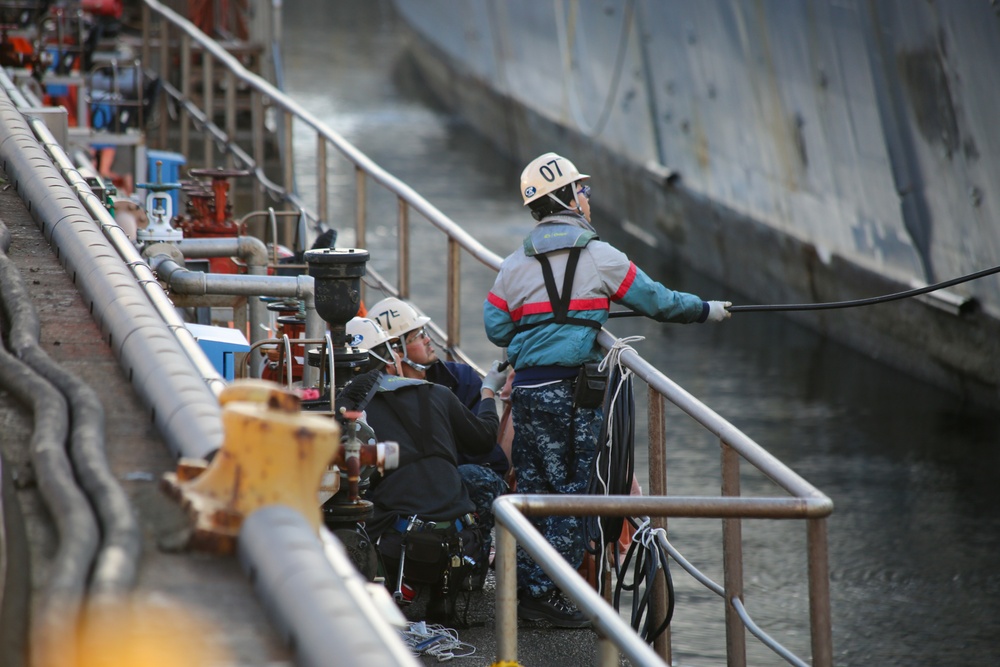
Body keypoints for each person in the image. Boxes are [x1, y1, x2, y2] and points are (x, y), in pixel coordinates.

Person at [483, 152, 733, 628]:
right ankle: (544, 598)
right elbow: (657, 302)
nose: (588, 197)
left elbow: (497, 326)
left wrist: (533, 330)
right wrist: (707, 309)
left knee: (534, 489)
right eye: (583, 190)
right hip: (574, 395)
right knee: (576, 496)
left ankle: (524, 587)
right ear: (566, 198)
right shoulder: (602, 257)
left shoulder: (515, 264)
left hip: (529, 395)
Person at [341, 316, 508, 620]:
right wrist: (488, 393)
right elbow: (484, 441)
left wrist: (384, 456)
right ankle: (452, 590)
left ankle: (396, 586)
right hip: (459, 543)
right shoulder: (439, 393)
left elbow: (362, 474)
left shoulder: (350, 412)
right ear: (391, 356)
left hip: (397, 545)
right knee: (475, 480)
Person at [368, 296, 511, 510]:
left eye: (425, 332)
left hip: (456, 484)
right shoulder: (374, 398)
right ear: (394, 351)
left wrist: (487, 392)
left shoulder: (460, 379)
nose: (428, 339)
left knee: (475, 477)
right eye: (418, 335)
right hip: (401, 492)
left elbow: (485, 449)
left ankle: (473, 540)